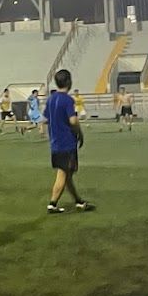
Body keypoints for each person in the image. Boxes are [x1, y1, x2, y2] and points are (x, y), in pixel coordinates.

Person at [46, 68, 93, 213]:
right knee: (63, 174)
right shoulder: (67, 100)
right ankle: (52, 204)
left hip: (55, 143)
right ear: (68, 82)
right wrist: (80, 133)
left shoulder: (51, 99)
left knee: (67, 174)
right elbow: (73, 120)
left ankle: (78, 201)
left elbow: (46, 118)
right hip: (66, 143)